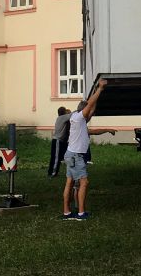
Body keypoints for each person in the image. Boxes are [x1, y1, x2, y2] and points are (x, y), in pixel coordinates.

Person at [62, 79, 115, 220]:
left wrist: (107, 129)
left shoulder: (77, 119)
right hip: (76, 156)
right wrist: (100, 88)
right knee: (84, 183)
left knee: (70, 182)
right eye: (88, 111)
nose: (90, 114)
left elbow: (92, 113)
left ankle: (67, 212)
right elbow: (90, 104)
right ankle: (80, 213)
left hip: (70, 154)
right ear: (83, 110)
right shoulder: (79, 118)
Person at [47, 106, 70, 178]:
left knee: (57, 157)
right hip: (58, 141)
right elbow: (73, 114)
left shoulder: (59, 118)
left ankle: (52, 172)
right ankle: (53, 173)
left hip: (58, 141)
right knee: (56, 158)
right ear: (64, 112)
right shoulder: (62, 117)